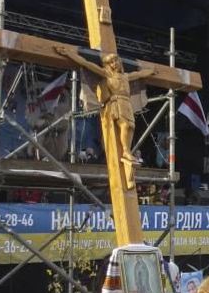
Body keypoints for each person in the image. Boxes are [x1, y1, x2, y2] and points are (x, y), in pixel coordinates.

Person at [54, 46, 154, 189]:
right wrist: (70, 54)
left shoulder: (125, 76)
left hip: (126, 103)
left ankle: (127, 151)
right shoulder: (107, 74)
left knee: (131, 127)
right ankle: (125, 151)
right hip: (117, 103)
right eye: (112, 62)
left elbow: (139, 75)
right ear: (108, 65)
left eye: (116, 61)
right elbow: (86, 63)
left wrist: (151, 71)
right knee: (125, 126)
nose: (115, 64)